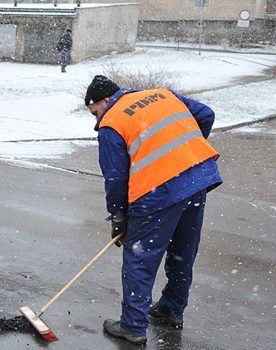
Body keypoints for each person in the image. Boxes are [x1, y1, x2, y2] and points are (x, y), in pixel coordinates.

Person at [84, 75, 222, 345]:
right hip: (196, 179)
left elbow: (115, 179)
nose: (96, 120)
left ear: (106, 101)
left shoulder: (112, 124)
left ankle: (133, 327)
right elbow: (206, 114)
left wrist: (119, 216)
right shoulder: (163, 95)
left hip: (157, 190)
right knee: (183, 252)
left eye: (95, 112)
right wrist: (184, 154)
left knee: (139, 258)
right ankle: (172, 309)